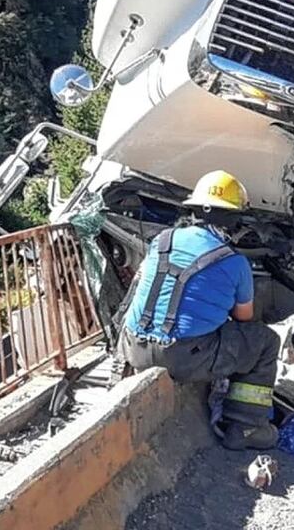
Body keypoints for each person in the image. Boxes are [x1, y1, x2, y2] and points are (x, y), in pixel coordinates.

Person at [117, 170, 281, 450]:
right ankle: (245, 426)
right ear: (233, 219)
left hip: (133, 347)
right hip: (185, 358)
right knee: (265, 341)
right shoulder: (234, 262)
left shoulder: (162, 241)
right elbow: (243, 318)